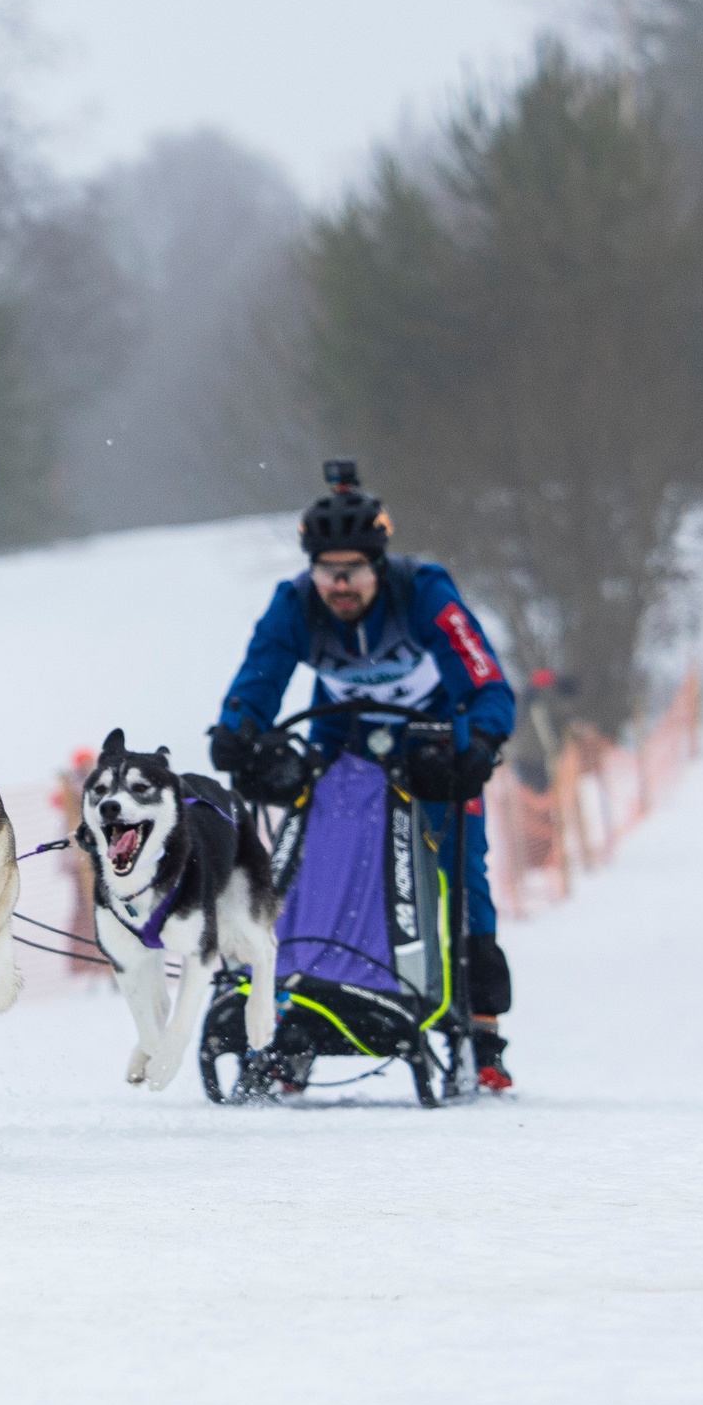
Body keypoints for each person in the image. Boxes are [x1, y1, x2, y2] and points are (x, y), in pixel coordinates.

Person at [208, 462, 519, 1091]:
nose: (340, 585)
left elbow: (483, 678)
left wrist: (484, 737)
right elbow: (259, 677)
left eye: (353, 571)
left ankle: (481, 1032)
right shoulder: (293, 605)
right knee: (310, 866)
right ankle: (298, 1014)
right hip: (342, 742)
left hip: (432, 743)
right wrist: (236, 729)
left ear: (379, 566)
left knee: (463, 875)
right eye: (327, 571)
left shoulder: (425, 592)